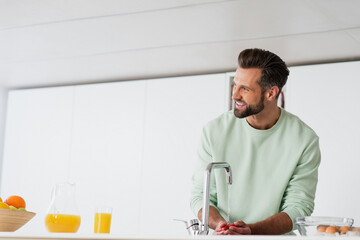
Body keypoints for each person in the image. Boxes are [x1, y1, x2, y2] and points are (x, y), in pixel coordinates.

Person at [190, 48, 321, 235]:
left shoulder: (304, 140)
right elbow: (200, 197)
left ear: (271, 93)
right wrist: (221, 225)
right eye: (235, 85)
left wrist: (252, 230)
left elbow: (298, 207)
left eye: (245, 88)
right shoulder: (214, 131)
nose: (235, 95)